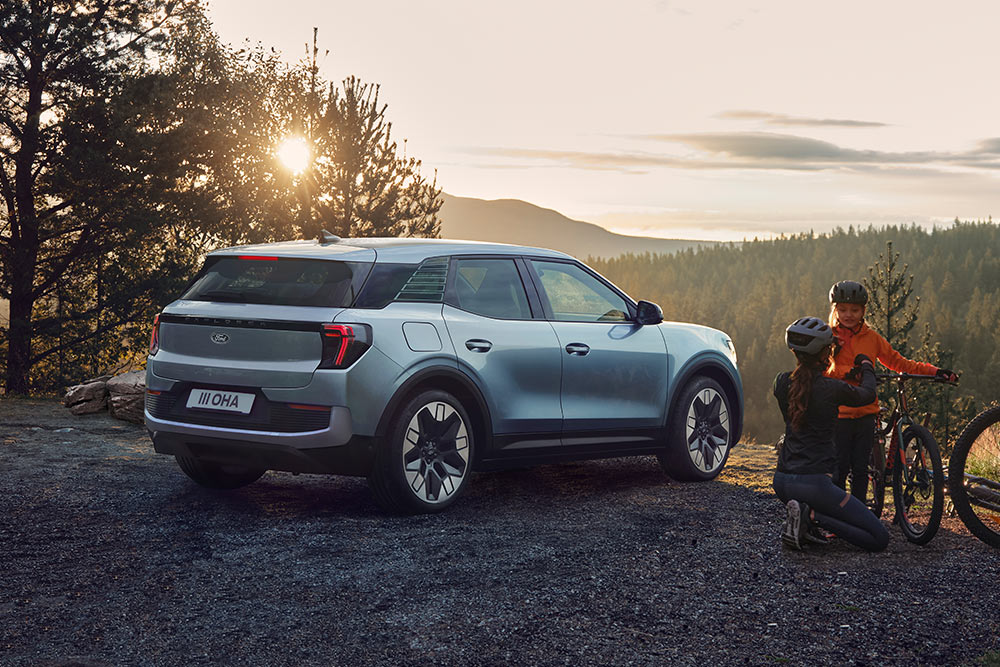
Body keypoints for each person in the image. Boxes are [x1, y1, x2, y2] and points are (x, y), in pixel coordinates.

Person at [825, 280, 957, 500]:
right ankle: (837, 520)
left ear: (863, 311)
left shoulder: (872, 339)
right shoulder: (828, 337)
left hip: (866, 412)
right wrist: (849, 372)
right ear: (835, 310)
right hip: (840, 413)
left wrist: (934, 371)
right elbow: (820, 372)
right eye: (843, 309)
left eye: (854, 310)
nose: (848, 314)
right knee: (839, 469)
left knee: (860, 470)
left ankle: (858, 519)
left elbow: (900, 363)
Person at [773, 316, 889, 551]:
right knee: (879, 538)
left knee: (839, 510)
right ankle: (812, 515)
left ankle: (804, 520)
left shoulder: (782, 382)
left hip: (782, 482)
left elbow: (793, 417)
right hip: (815, 485)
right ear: (825, 353)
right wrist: (867, 366)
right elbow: (867, 395)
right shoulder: (830, 389)